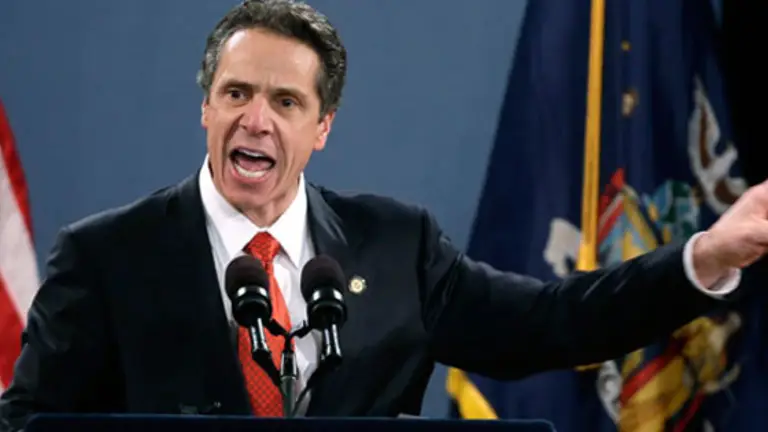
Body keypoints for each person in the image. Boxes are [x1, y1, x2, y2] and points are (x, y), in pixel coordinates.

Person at [1, 0, 767, 429]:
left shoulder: (397, 247)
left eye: (285, 102)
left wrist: (704, 257)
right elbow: (27, 424)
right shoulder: (106, 256)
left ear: (322, 127)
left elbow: (556, 322)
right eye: (236, 93)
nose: (255, 120)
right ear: (206, 107)